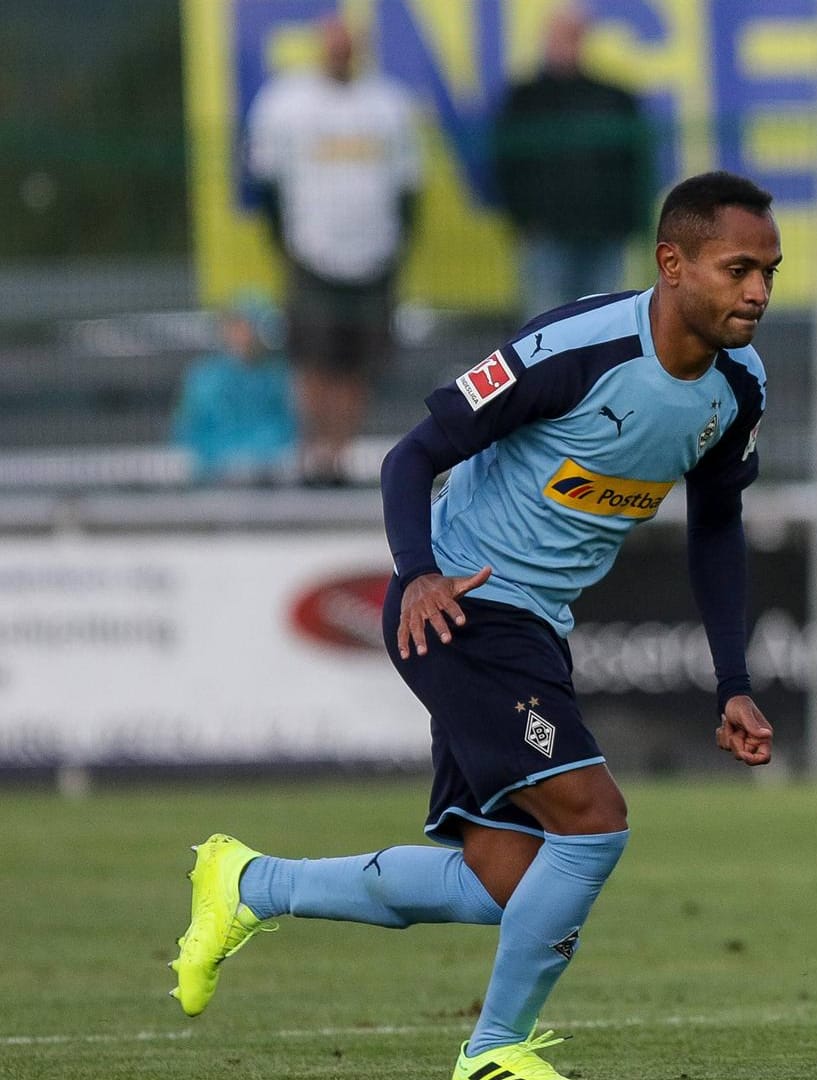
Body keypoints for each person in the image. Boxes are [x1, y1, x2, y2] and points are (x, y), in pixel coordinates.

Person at [170, 172, 782, 1080]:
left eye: (770, 271)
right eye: (738, 269)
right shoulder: (573, 348)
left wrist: (733, 678)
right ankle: (492, 1054)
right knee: (594, 823)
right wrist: (418, 574)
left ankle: (250, 884)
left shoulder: (739, 385)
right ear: (673, 263)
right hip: (462, 605)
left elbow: (719, 524)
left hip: (537, 627)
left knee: (508, 882)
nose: (760, 292)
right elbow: (411, 455)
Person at [246, 14, 422, 486]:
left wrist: (397, 240)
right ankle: (313, 452)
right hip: (313, 251)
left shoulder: (388, 106)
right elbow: (266, 182)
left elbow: (408, 184)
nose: (340, 55)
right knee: (312, 361)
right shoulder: (286, 104)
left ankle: (338, 457)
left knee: (355, 365)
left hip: (373, 253)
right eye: (334, 46)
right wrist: (286, 240)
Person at [494, 4, 650, 320]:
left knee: (602, 331)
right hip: (546, 236)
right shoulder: (524, 100)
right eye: (558, 34)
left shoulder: (614, 97)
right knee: (544, 336)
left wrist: (626, 222)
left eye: (572, 34)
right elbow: (506, 165)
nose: (564, 42)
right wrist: (523, 220)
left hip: (603, 234)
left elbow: (635, 164)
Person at [171, 295, 296, 485]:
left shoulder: (279, 376)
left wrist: (259, 460)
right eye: (238, 325)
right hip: (212, 476)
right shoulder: (203, 377)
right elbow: (189, 430)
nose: (245, 334)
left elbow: (287, 427)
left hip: (268, 478)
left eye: (250, 326)